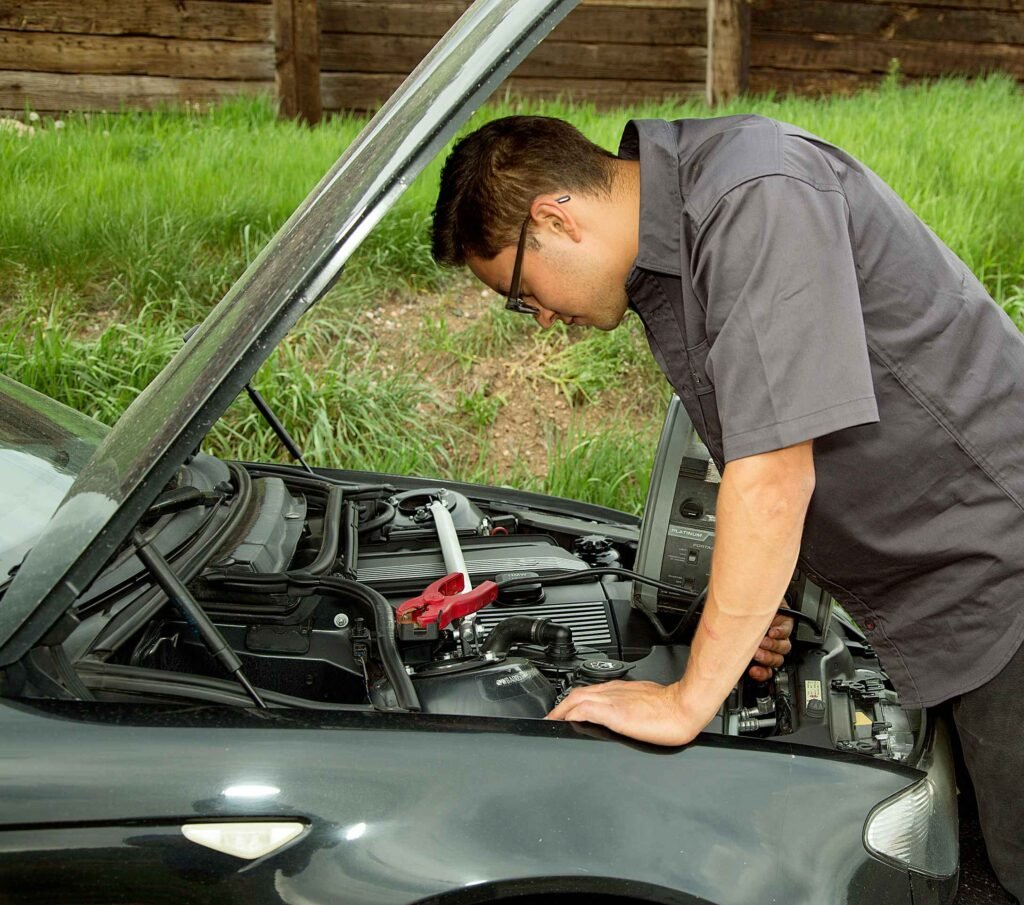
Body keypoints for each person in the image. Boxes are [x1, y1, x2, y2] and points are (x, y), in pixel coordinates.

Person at [430, 114, 1023, 900]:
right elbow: (786, 425)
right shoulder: (676, 249)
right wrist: (755, 600)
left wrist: (687, 699)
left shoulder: (754, 197)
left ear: (554, 218)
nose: (539, 320)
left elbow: (773, 475)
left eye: (518, 293)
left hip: (1000, 573)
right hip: (942, 586)